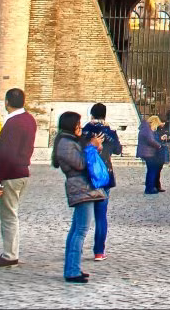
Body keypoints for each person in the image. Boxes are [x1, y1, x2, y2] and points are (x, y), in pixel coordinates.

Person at [52, 111, 106, 283]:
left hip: (83, 188)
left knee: (77, 229)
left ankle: (72, 267)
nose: (80, 127)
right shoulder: (65, 144)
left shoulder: (70, 141)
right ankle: (72, 270)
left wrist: (93, 147)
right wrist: (91, 147)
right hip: (80, 188)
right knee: (81, 230)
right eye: (77, 124)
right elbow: (81, 164)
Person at [0, 88, 36, 269]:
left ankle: (10, 255)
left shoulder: (12, 123)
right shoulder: (29, 119)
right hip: (23, 170)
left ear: (7, 102)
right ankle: (11, 252)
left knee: (8, 216)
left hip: (11, 173)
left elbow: (5, 155)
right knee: (12, 213)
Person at [81, 103, 122, 262]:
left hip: (86, 175)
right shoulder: (110, 132)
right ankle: (99, 251)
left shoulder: (85, 131)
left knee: (81, 215)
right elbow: (118, 150)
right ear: (104, 115)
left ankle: (76, 248)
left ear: (91, 114)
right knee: (101, 216)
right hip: (104, 175)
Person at [137, 115, 166, 195]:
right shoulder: (147, 129)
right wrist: (159, 146)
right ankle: (150, 188)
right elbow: (150, 140)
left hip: (147, 152)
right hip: (148, 152)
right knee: (152, 170)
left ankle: (150, 187)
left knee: (151, 170)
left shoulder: (145, 128)